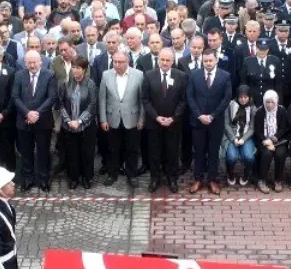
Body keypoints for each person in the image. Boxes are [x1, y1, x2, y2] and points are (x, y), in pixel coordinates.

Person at [186, 49, 232, 194]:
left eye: (210, 60)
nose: (208, 63)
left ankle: (212, 179)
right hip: (198, 121)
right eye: (205, 61)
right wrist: (199, 115)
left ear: (216, 59)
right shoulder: (194, 75)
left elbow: (226, 99)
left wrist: (212, 116)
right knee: (198, 151)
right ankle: (197, 179)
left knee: (213, 152)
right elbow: (190, 97)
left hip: (216, 121)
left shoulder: (225, 76)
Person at [140, 47, 185, 193]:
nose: (165, 63)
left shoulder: (181, 76)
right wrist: (156, 117)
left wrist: (174, 117)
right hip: (154, 123)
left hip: (174, 123)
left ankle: (172, 179)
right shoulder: (148, 75)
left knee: (172, 152)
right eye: (162, 59)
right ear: (158, 60)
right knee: (154, 152)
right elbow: (145, 100)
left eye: (168, 60)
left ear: (173, 61)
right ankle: (155, 178)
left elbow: (183, 101)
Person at [12, 49, 57, 192]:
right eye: (29, 63)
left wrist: (36, 113)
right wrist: (27, 113)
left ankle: (43, 178)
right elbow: (15, 97)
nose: (32, 66)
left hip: (43, 121)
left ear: (40, 62)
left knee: (43, 151)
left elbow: (51, 98)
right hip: (23, 121)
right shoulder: (19, 75)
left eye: (34, 62)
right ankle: (28, 179)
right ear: (25, 63)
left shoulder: (50, 75)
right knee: (26, 152)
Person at [98, 50, 144, 186]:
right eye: (115, 62)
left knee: (132, 148)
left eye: (120, 62)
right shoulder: (106, 75)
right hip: (113, 118)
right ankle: (112, 174)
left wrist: (141, 119)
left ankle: (131, 174)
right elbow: (102, 98)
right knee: (112, 148)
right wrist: (103, 119)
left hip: (132, 118)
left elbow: (142, 100)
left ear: (127, 62)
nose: (117, 65)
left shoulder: (138, 75)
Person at [59, 56, 98, 189]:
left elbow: (92, 105)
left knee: (87, 153)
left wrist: (80, 121)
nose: (75, 70)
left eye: (78, 68)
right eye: (73, 67)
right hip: (69, 126)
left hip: (86, 126)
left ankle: (87, 178)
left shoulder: (91, 84)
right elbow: (61, 104)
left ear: (85, 69)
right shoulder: (66, 83)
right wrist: (69, 121)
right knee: (72, 153)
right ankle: (74, 178)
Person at [253, 89, 290, 193]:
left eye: (272, 102)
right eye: (267, 102)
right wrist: (266, 141)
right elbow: (258, 130)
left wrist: (273, 140)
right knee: (266, 154)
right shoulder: (260, 112)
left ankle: (278, 180)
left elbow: (283, 128)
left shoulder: (282, 111)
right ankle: (262, 180)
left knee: (280, 154)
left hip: (279, 140)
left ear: (276, 102)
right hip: (263, 140)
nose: (269, 105)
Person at [223, 85, 256, 187]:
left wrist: (243, 139)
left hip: (246, 137)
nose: (243, 99)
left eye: (245, 97)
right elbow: (226, 124)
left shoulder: (253, 108)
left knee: (249, 157)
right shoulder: (230, 105)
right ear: (237, 97)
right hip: (232, 136)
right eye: (241, 97)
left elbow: (252, 128)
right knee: (231, 157)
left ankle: (246, 174)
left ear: (249, 97)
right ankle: (230, 174)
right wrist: (233, 139)